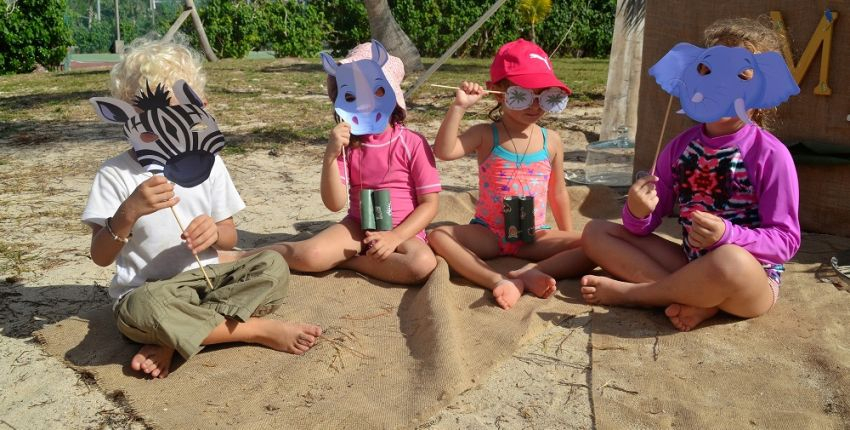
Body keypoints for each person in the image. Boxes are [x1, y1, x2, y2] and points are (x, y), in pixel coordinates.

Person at [82, 37, 322, 379]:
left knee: (272, 265)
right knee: (139, 310)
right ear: (126, 117)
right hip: (149, 291)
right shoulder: (116, 174)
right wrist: (128, 213)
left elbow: (229, 235)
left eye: (176, 114)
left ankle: (172, 338)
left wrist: (214, 232)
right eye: (148, 121)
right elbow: (100, 256)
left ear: (200, 107)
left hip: (209, 282)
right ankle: (254, 330)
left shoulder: (210, 165)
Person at [580, 17, 801, 331]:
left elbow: (786, 242)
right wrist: (637, 211)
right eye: (708, 72)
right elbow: (639, 228)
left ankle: (639, 295)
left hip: (748, 281)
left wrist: (728, 235)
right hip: (689, 262)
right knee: (596, 232)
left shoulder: (770, 154)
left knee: (729, 259)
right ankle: (693, 299)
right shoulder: (679, 148)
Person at [227, 42, 441, 285]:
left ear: (391, 92)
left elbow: (430, 204)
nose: (364, 100)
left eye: (376, 90)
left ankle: (348, 261)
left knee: (422, 264)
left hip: (403, 232)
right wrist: (331, 155)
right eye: (351, 95)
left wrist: (394, 237)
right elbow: (334, 203)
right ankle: (241, 255)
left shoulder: (412, 142)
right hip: (358, 227)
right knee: (311, 254)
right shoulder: (348, 144)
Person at [428, 39, 594, 310]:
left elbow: (558, 192)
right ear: (497, 92)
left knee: (592, 243)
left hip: (533, 236)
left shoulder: (551, 140)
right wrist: (458, 108)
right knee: (437, 236)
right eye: (524, 95)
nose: (535, 105)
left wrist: (566, 238)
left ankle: (527, 274)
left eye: (545, 96)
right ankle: (497, 280)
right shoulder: (485, 134)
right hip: (489, 234)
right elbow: (444, 151)